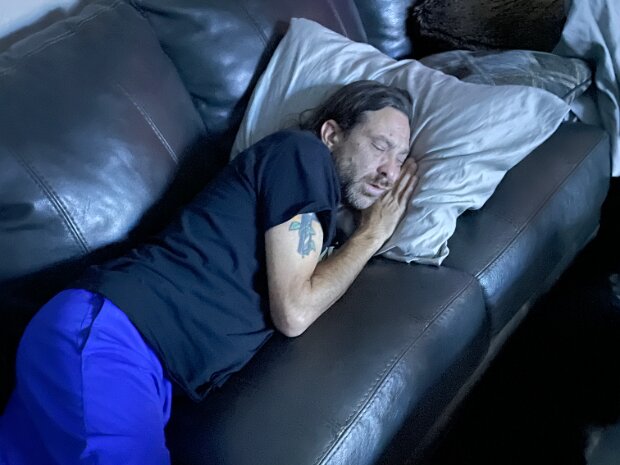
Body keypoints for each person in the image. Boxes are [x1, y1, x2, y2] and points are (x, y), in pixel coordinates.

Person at [0, 80, 418, 464]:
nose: (390, 172)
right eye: (379, 146)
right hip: (114, 338)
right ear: (331, 134)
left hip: (130, 358)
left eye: (401, 159)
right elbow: (295, 310)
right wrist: (371, 235)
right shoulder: (302, 155)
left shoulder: (321, 216)